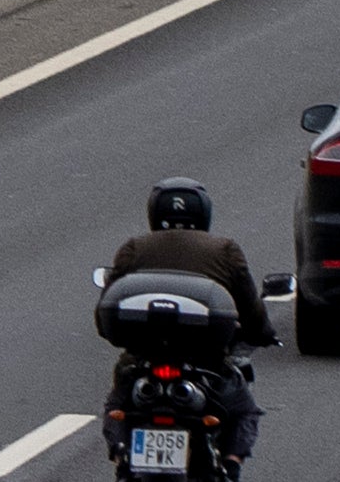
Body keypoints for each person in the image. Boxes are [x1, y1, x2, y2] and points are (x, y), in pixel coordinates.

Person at [101, 177, 270, 472]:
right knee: (244, 411)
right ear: (204, 212)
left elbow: (106, 315)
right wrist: (263, 333)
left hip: (143, 359)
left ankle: (120, 452)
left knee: (117, 403)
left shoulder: (134, 248)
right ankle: (230, 462)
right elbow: (250, 309)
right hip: (207, 362)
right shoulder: (225, 250)